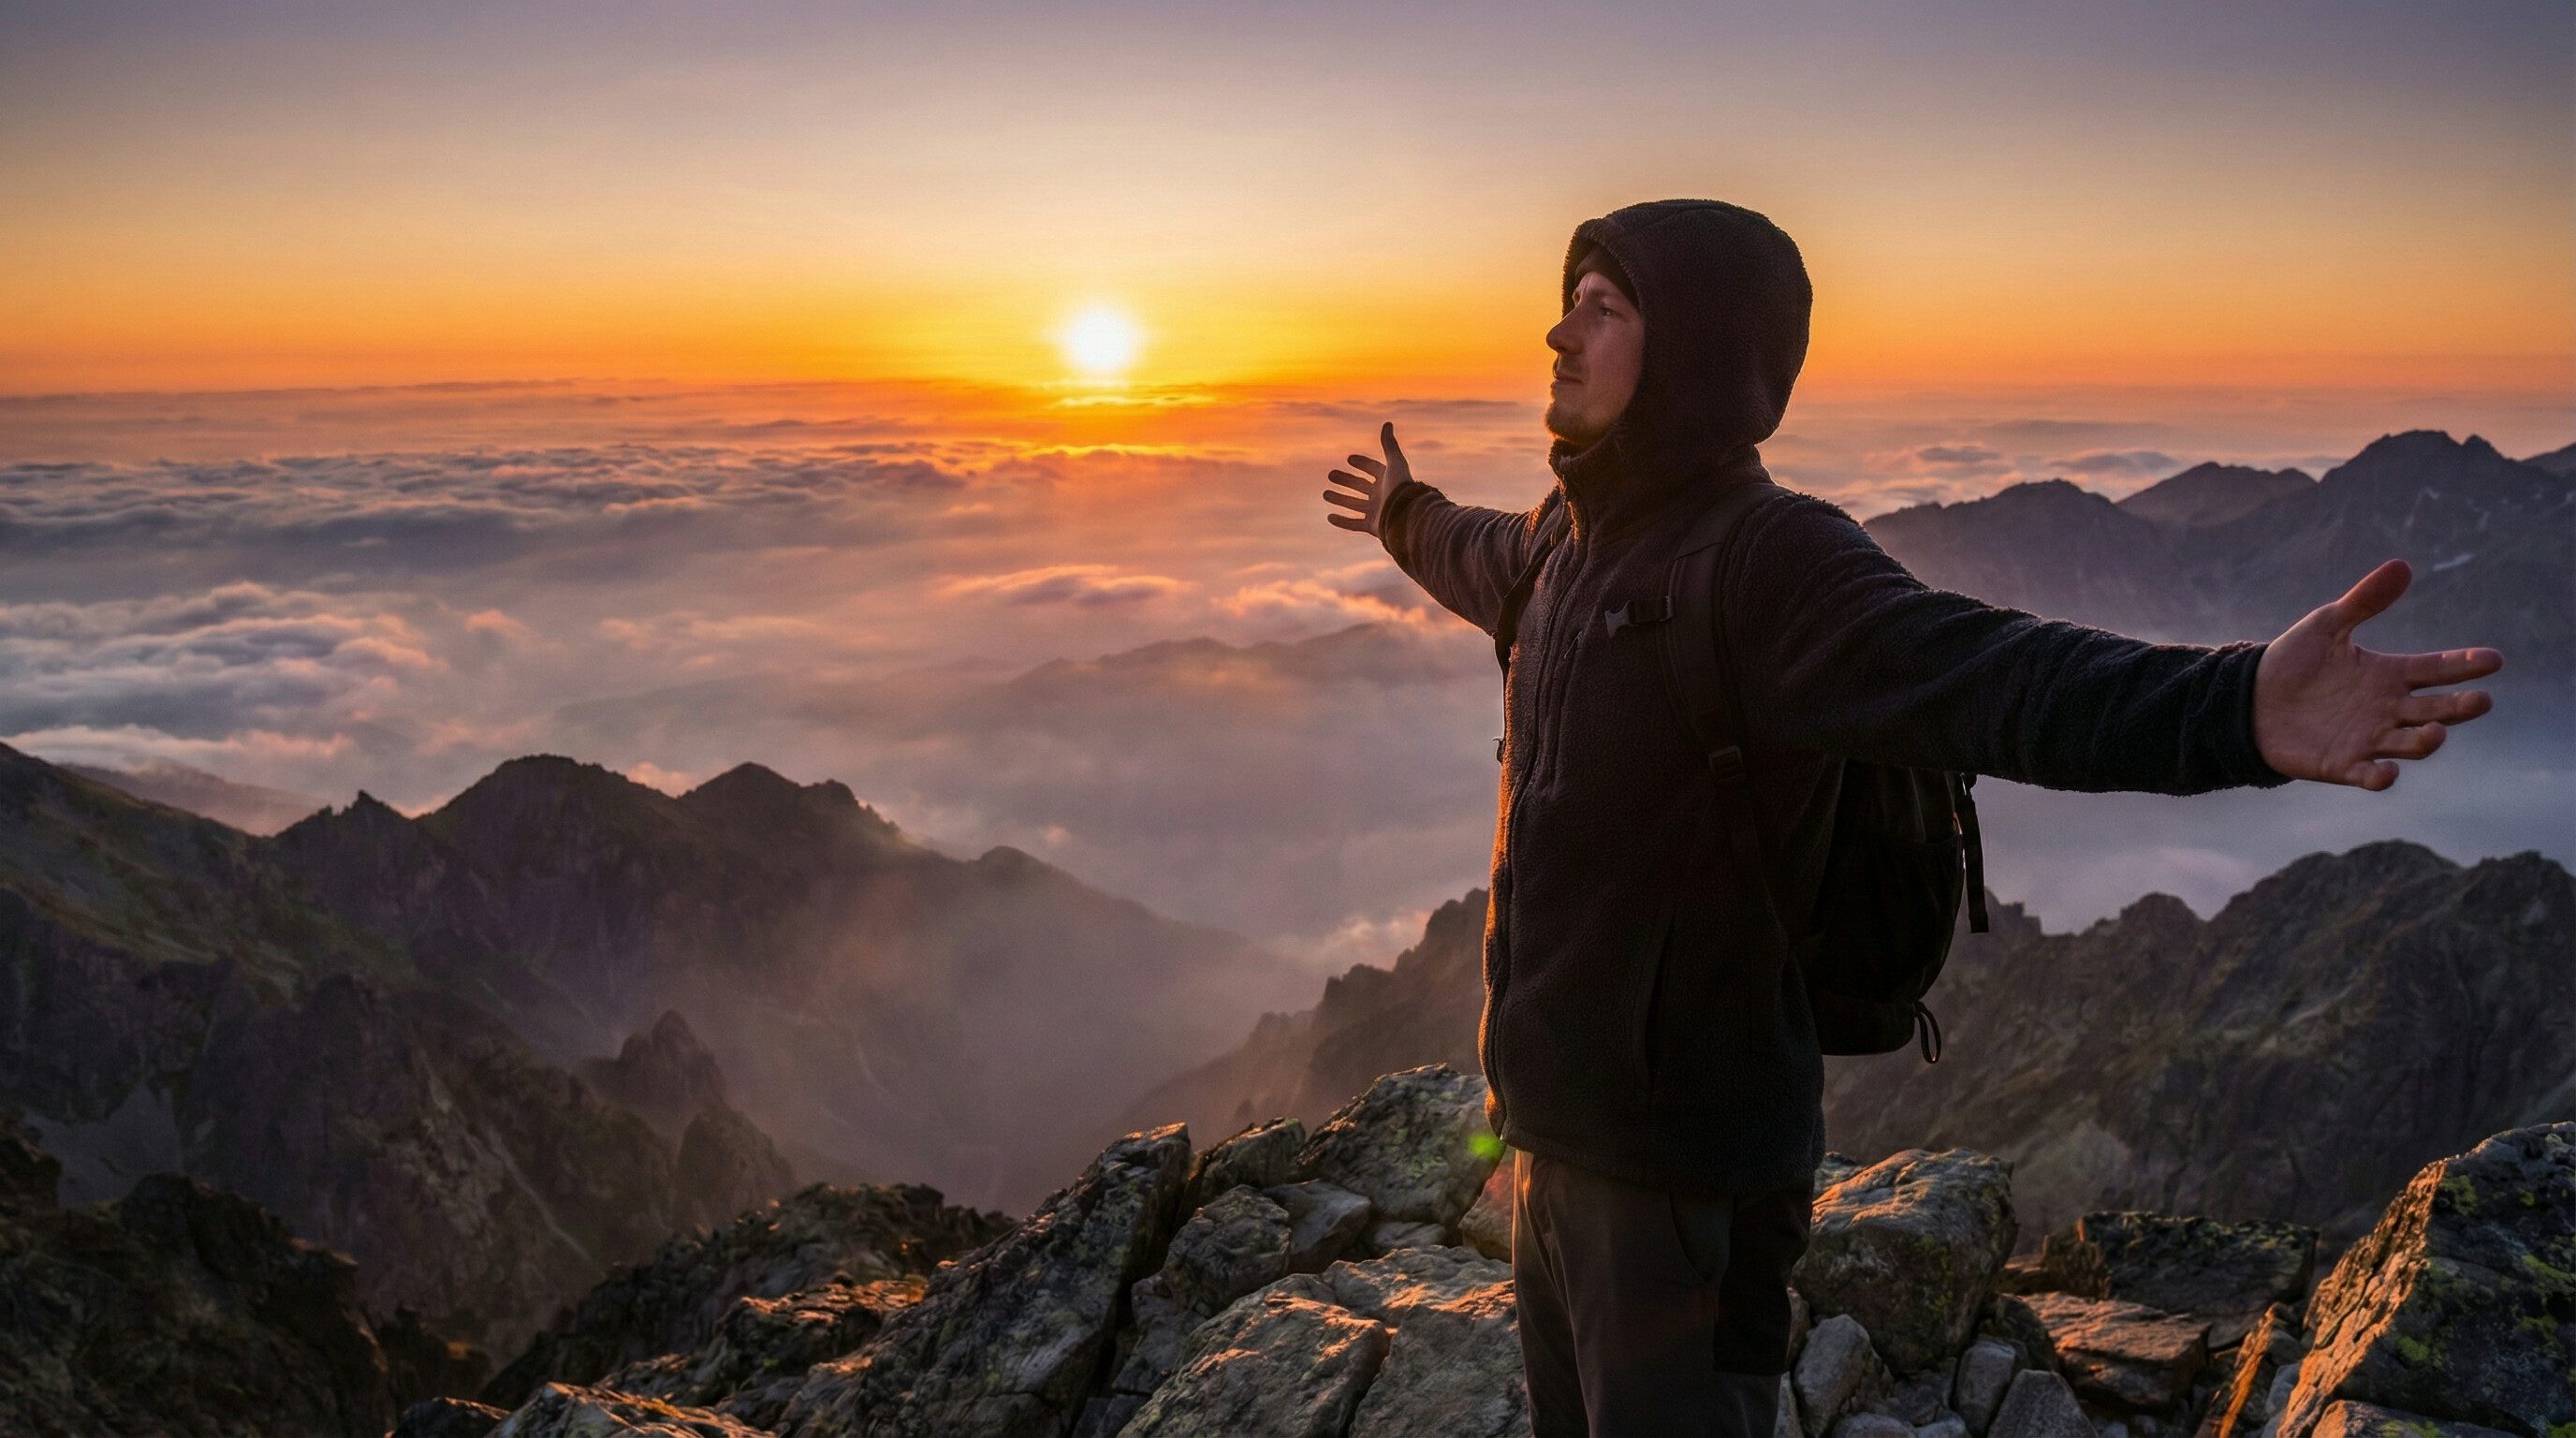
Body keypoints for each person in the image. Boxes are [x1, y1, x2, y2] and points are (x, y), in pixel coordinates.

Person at [1318, 198, 2503, 1436]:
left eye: (1602, 310)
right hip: (1551, 1145)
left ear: (1697, 353)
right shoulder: (1572, 538)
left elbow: (2000, 679)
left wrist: (2237, 705)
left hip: (1682, 1183)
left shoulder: (1766, 562)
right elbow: (1480, 556)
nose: (1556, 334)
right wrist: (1405, 513)